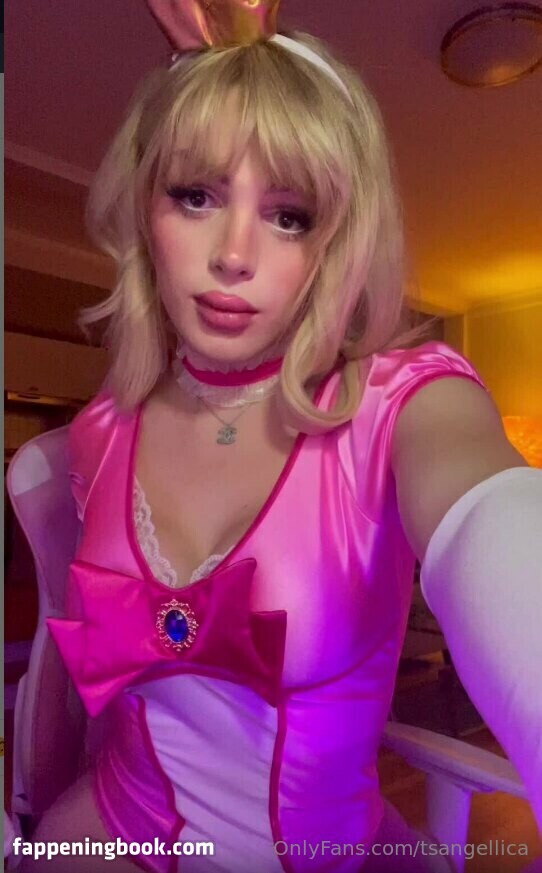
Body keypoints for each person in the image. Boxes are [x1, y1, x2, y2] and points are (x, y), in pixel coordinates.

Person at [17, 1, 542, 870]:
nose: (234, 252)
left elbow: (499, 525)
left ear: (336, 241)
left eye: (289, 215)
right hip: (107, 825)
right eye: (196, 195)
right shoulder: (98, 435)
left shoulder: (401, 406)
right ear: (145, 210)